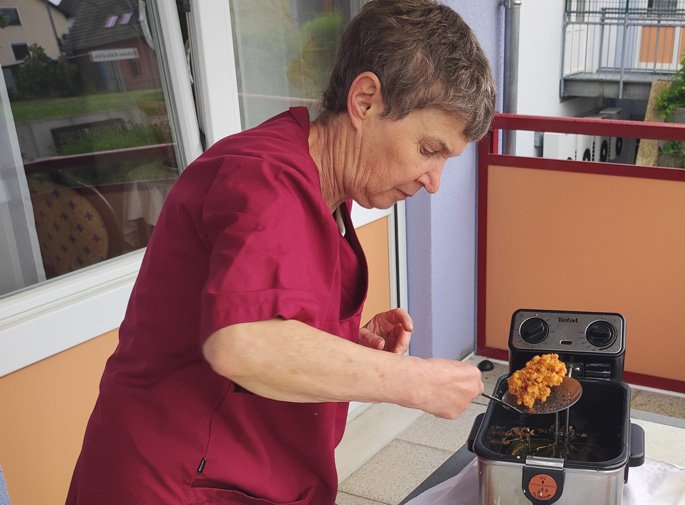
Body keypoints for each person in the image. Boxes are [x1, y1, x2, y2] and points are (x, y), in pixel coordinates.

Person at [65, 1, 496, 504]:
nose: (435, 182)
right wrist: (416, 381)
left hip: (256, 474)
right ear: (365, 100)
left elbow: (265, 313)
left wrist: (342, 338)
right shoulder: (262, 177)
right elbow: (243, 343)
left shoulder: (326, 192)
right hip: (176, 481)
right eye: (428, 150)